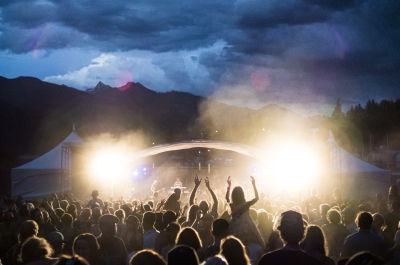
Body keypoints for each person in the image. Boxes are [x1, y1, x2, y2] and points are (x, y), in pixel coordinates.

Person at [226, 176, 264, 261]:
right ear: (243, 195)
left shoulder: (232, 206)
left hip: (234, 227)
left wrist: (229, 187)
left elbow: (227, 199)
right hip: (247, 226)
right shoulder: (246, 205)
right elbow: (257, 198)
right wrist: (254, 185)